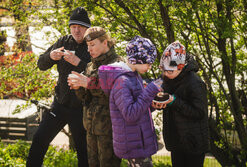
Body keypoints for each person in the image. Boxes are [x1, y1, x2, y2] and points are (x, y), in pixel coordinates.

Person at [26, 7, 91, 167]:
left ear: (87, 28)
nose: (77, 30)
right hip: (59, 106)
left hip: (81, 109)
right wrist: (50, 56)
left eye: (80, 27)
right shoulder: (63, 41)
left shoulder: (92, 45)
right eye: (73, 26)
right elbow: (41, 64)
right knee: (39, 139)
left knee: (84, 152)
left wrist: (79, 63)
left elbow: (100, 76)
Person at [98, 36, 162, 167]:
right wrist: (150, 91)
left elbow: (138, 105)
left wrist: (152, 104)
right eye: (148, 63)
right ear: (137, 59)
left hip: (138, 144)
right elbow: (130, 114)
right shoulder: (122, 82)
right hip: (134, 147)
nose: (150, 67)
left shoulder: (134, 76)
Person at [67, 26, 123, 167]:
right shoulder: (91, 66)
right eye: (87, 45)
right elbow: (86, 99)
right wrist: (78, 87)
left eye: (92, 45)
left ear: (105, 43)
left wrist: (89, 83)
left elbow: (115, 93)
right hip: (91, 128)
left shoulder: (117, 63)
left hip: (110, 130)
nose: (89, 49)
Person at [152, 41, 209, 167]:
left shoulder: (195, 83)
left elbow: (200, 113)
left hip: (193, 143)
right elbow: (167, 100)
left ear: (181, 67)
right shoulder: (168, 77)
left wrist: (174, 101)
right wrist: (160, 104)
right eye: (164, 70)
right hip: (176, 140)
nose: (166, 74)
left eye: (169, 72)